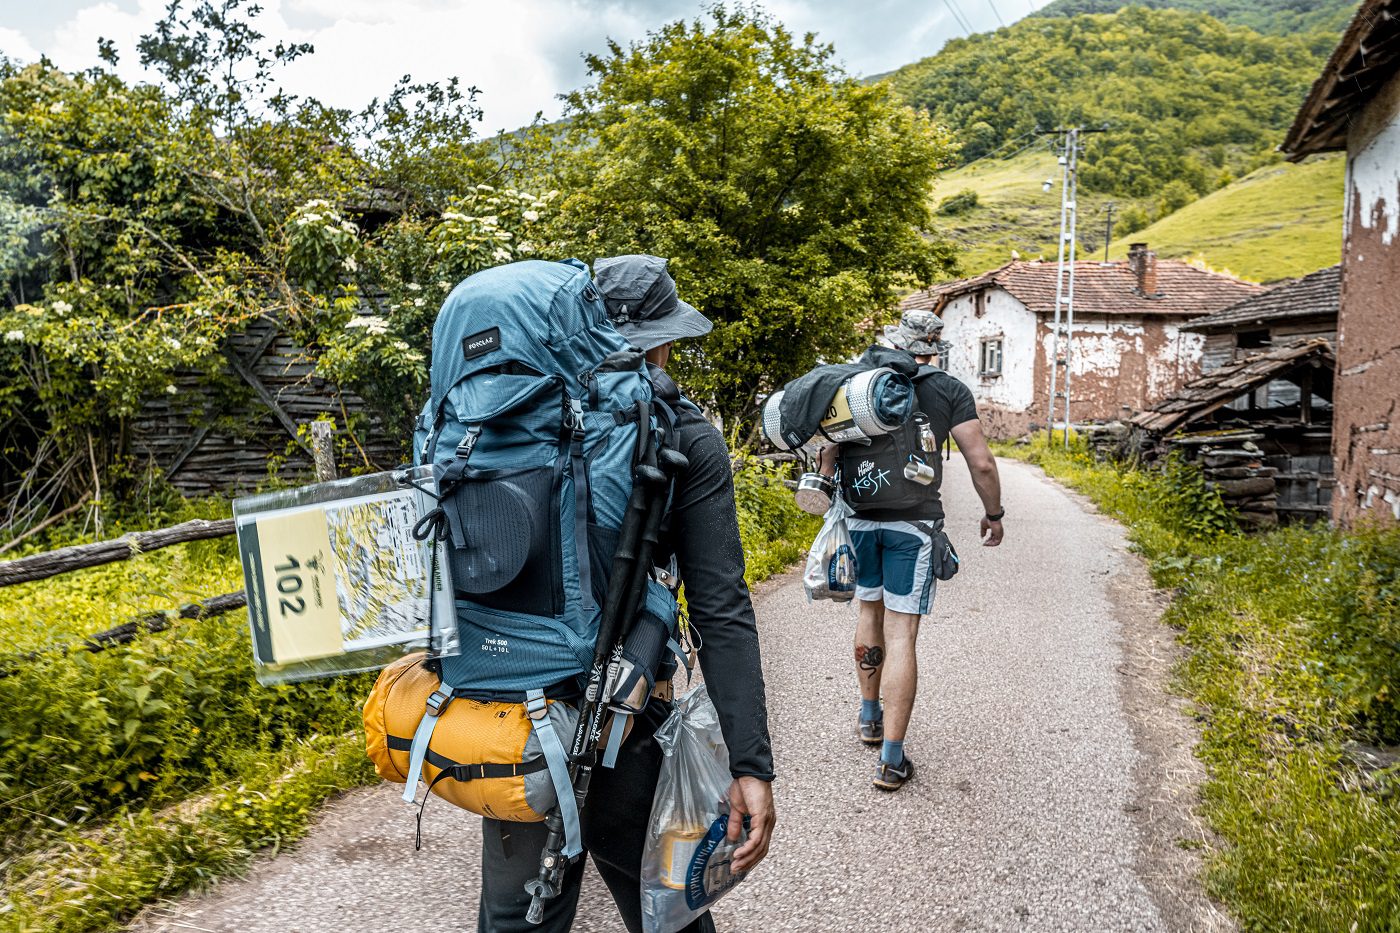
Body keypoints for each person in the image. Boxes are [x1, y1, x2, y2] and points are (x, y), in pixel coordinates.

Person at [478, 254, 776, 932]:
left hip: (508, 724)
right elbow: (721, 608)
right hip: (618, 722)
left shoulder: (508, 422)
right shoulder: (683, 435)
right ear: (662, 340)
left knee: (515, 917)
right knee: (668, 917)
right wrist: (751, 763)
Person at [817, 307, 1004, 791]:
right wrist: (994, 513)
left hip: (859, 518)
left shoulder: (859, 380)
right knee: (902, 635)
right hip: (913, 525)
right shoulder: (948, 389)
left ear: (896, 339)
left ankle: (867, 715)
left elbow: (828, 445)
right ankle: (891, 759)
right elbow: (980, 463)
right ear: (935, 344)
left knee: (868, 611)